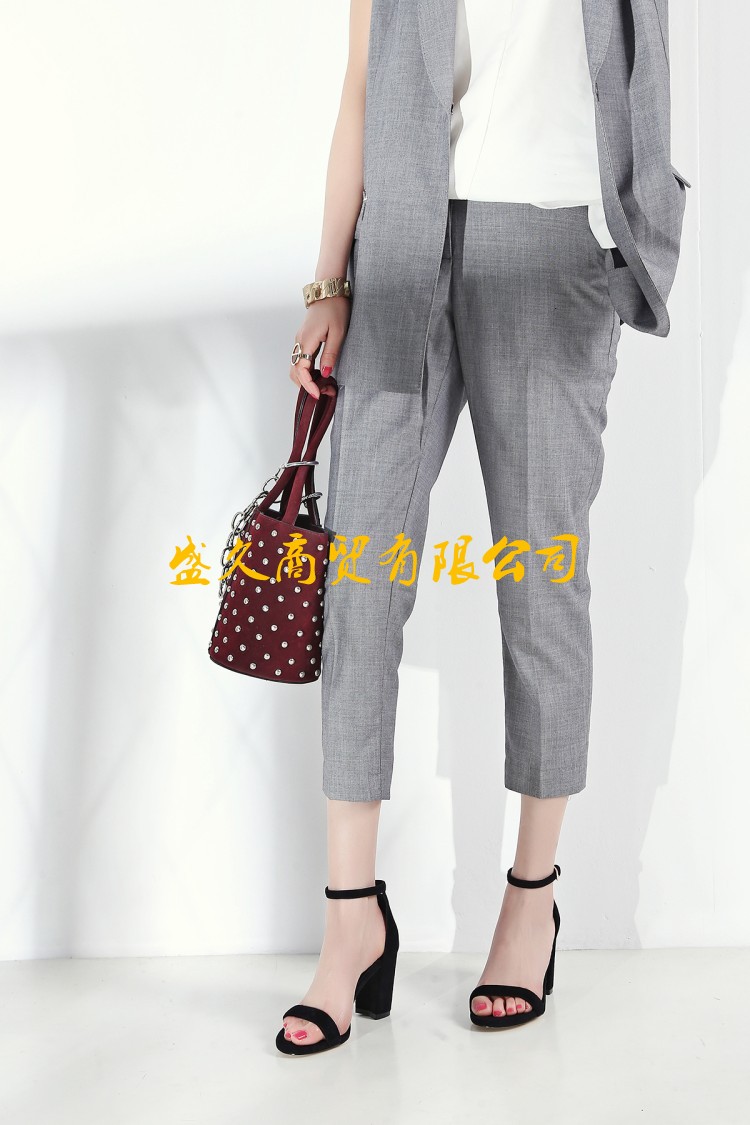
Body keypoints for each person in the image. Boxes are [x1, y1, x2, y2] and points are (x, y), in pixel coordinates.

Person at [277, 0, 690, 1054]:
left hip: (550, 242)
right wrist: (328, 280)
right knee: (359, 582)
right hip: (400, 244)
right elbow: (361, 86)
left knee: (540, 583)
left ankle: (531, 898)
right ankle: (350, 918)